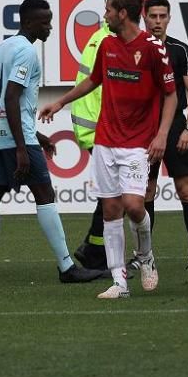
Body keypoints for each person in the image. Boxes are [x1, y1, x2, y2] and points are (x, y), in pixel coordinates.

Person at [0, 0, 104, 286]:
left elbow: (7, 100)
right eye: (44, 21)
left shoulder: (5, 47)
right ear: (28, 22)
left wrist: (36, 135)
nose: (49, 26)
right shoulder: (27, 53)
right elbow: (12, 96)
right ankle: (66, 267)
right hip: (14, 139)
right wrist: (23, 147)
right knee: (45, 195)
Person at [39, 0, 178, 300]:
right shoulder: (107, 44)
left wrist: (162, 135)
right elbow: (93, 80)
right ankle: (119, 282)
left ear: (123, 14)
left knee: (134, 206)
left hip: (138, 141)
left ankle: (146, 255)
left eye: (108, 10)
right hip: (105, 140)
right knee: (111, 209)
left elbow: (171, 95)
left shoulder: (154, 49)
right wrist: (60, 102)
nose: (105, 16)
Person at [139, 0, 188, 271]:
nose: (157, 21)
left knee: (184, 190)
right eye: (152, 16)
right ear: (144, 17)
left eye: (162, 16)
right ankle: (145, 256)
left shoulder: (181, 50)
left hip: (176, 127)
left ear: (168, 18)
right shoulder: (136, 49)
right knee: (146, 192)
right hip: (145, 129)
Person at [70, 21, 112, 272]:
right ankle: (94, 252)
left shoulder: (100, 37)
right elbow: (107, 89)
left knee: (111, 194)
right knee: (113, 196)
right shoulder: (110, 43)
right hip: (101, 129)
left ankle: (93, 248)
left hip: (94, 126)